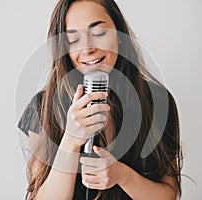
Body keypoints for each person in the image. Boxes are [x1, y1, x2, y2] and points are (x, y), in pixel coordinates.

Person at [17, 0, 182, 199]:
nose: (87, 49)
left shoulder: (157, 100)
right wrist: (70, 140)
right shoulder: (42, 107)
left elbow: (169, 195)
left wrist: (122, 176)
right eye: (73, 40)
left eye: (98, 34)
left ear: (120, 36)